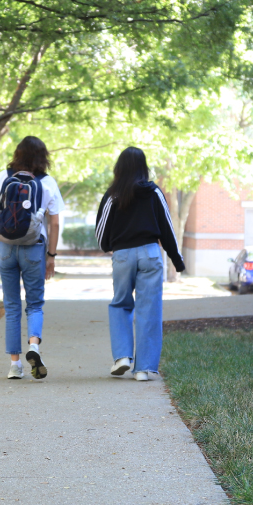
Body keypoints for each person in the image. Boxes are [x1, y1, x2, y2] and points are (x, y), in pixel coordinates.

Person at [95, 147, 184, 381]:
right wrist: (176, 259)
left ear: (119, 167)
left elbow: (101, 229)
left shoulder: (113, 194)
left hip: (123, 255)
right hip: (150, 254)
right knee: (149, 309)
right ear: (143, 167)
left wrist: (108, 247)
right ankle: (144, 369)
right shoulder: (154, 192)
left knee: (121, 304)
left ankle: (123, 357)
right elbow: (167, 227)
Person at [0, 136, 65, 380]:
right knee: (35, 303)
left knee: (11, 306)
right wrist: (51, 255)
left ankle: (15, 366)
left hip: (6, 248)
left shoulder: (4, 177)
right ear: (43, 156)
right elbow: (55, 221)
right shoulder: (47, 182)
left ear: (17, 154)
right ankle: (34, 346)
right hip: (33, 248)